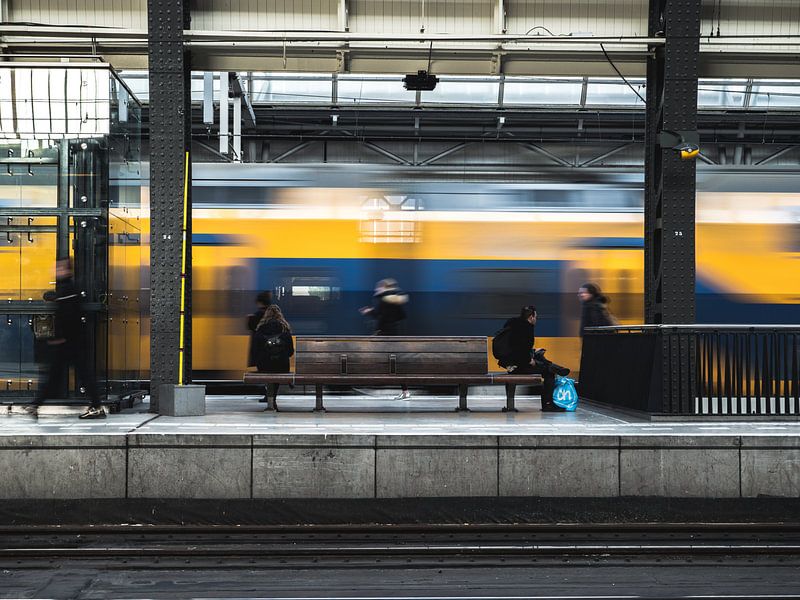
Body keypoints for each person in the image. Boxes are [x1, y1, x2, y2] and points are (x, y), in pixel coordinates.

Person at [27, 258, 104, 419]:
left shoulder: (67, 290)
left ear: (67, 270)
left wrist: (60, 337)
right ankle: (36, 404)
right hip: (71, 342)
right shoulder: (68, 288)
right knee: (66, 374)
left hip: (69, 342)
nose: (56, 271)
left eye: (59, 268)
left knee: (63, 374)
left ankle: (36, 404)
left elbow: (68, 317)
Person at [497, 305, 570, 412]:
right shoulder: (527, 328)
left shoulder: (512, 323)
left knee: (539, 355)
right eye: (536, 317)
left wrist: (532, 352)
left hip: (509, 363)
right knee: (549, 373)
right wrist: (529, 360)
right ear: (531, 317)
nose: (536, 319)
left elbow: (514, 346)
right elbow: (519, 349)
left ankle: (553, 366)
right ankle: (548, 404)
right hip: (517, 366)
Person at [358, 278, 410, 399]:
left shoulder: (383, 299)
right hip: (395, 335)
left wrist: (368, 312)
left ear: (384, 288)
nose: (377, 289)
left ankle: (372, 385)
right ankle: (405, 390)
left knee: (376, 359)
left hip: (384, 334)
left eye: (379, 287)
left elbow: (379, 316)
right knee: (395, 363)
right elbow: (402, 316)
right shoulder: (397, 300)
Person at [254, 304, 294, 411]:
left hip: (263, 366)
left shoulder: (260, 329)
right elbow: (290, 352)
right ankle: (273, 399)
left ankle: (270, 399)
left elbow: (255, 350)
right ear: (280, 315)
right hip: (281, 366)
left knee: (269, 368)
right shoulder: (284, 329)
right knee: (276, 369)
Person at [246, 290, 273, 370]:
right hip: (271, 353)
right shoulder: (274, 315)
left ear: (260, 302)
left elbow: (251, 327)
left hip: (260, 353)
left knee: (262, 369)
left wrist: (250, 318)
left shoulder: (257, 315)